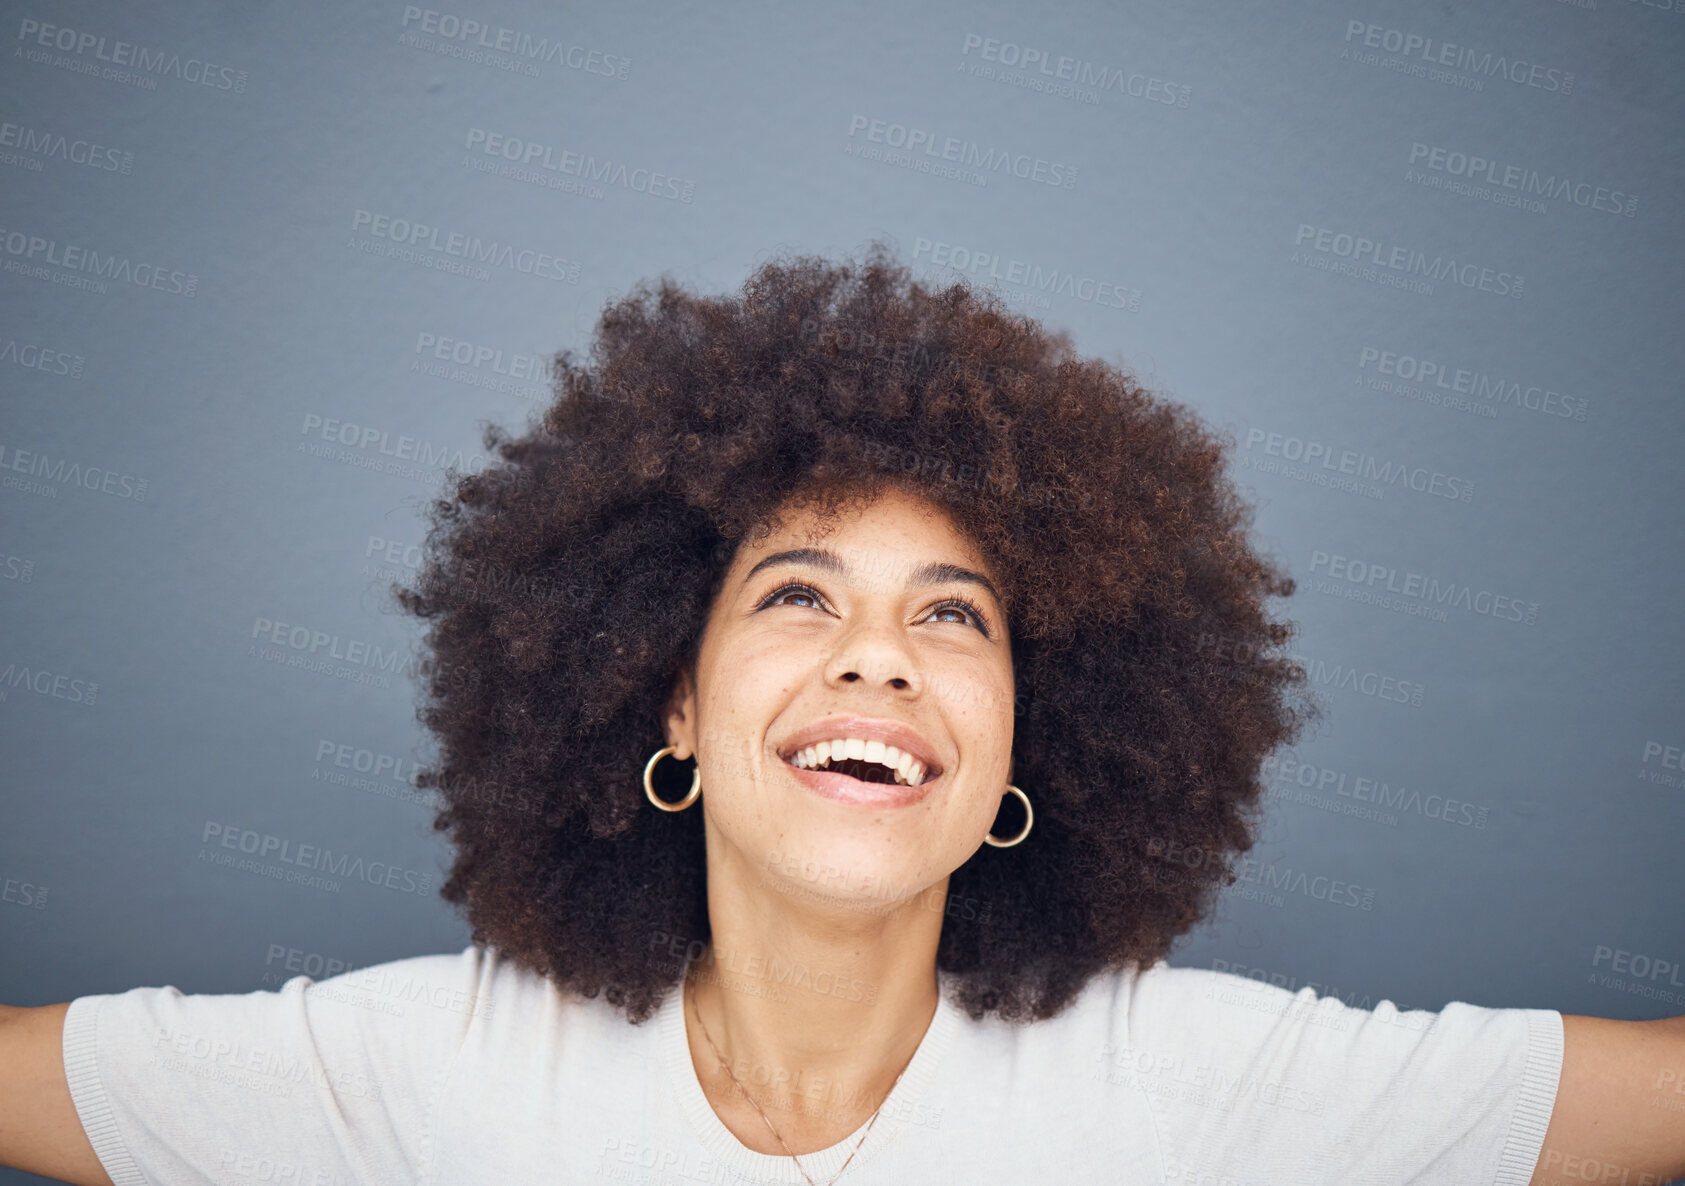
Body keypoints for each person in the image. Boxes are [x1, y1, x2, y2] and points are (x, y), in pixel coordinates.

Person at [2, 244, 1681, 1186]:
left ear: (1029, 745)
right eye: (798, 592)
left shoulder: (1186, 1082)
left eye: (952, 615)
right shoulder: (425, 1068)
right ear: (665, 696)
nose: (880, 657)